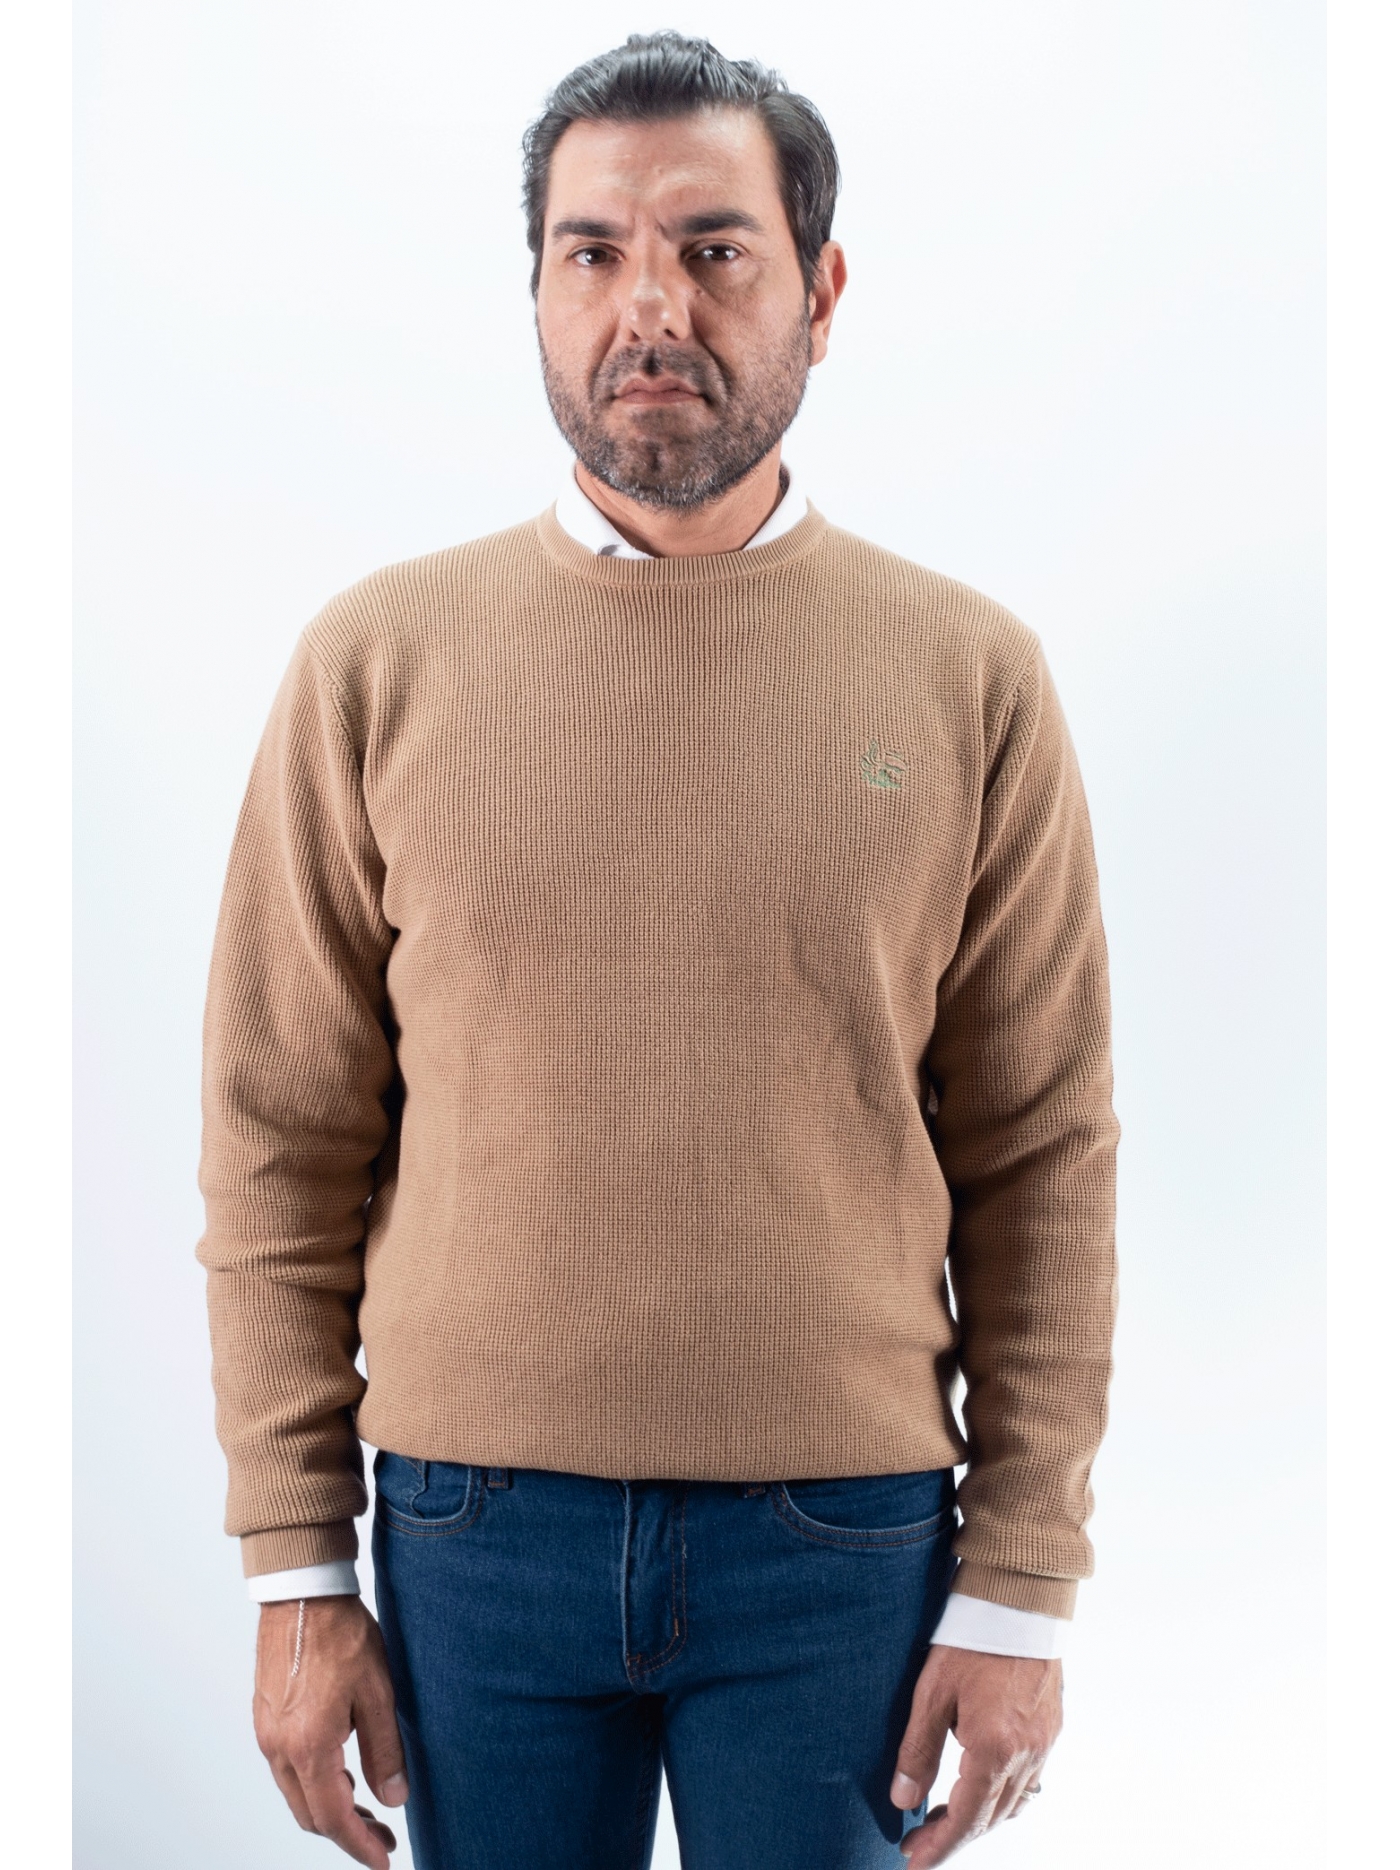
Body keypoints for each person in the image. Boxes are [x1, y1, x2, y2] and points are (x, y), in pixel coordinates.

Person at [196, 30, 1119, 1870]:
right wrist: (296, 1568)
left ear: (820, 293)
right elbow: (278, 1135)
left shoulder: (969, 676)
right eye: (594, 251)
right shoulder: (377, 663)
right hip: (472, 1536)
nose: (650, 306)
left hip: (844, 1539)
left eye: (713, 249)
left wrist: (1023, 1578)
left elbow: (1042, 1151)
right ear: (536, 290)